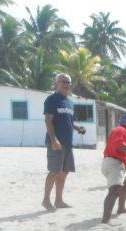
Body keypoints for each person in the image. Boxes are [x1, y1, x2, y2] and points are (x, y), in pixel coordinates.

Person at [42, 73, 86, 211]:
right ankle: (46, 201)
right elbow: (48, 120)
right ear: (57, 83)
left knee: (64, 171)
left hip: (68, 142)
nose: (66, 84)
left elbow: (69, 121)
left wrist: (78, 128)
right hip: (55, 142)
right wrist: (54, 140)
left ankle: (59, 201)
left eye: (68, 82)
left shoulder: (70, 102)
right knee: (54, 171)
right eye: (63, 81)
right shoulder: (51, 99)